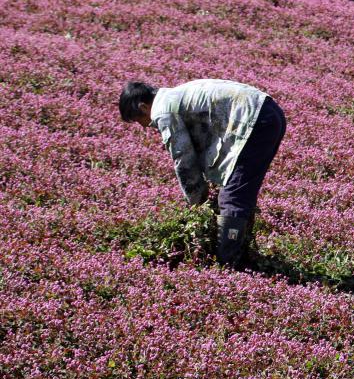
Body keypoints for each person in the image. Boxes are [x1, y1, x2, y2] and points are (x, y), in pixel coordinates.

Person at [118, 79, 287, 267]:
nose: (143, 126)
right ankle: (241, 251)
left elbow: (184, 159)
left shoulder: (163, 110)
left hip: (256, 120)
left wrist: (197, 201)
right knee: (241, 190)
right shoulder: (171, 96)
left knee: (232, 197)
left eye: (138, 120)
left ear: (142, 107)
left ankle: (228, 263)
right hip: (269, 113)